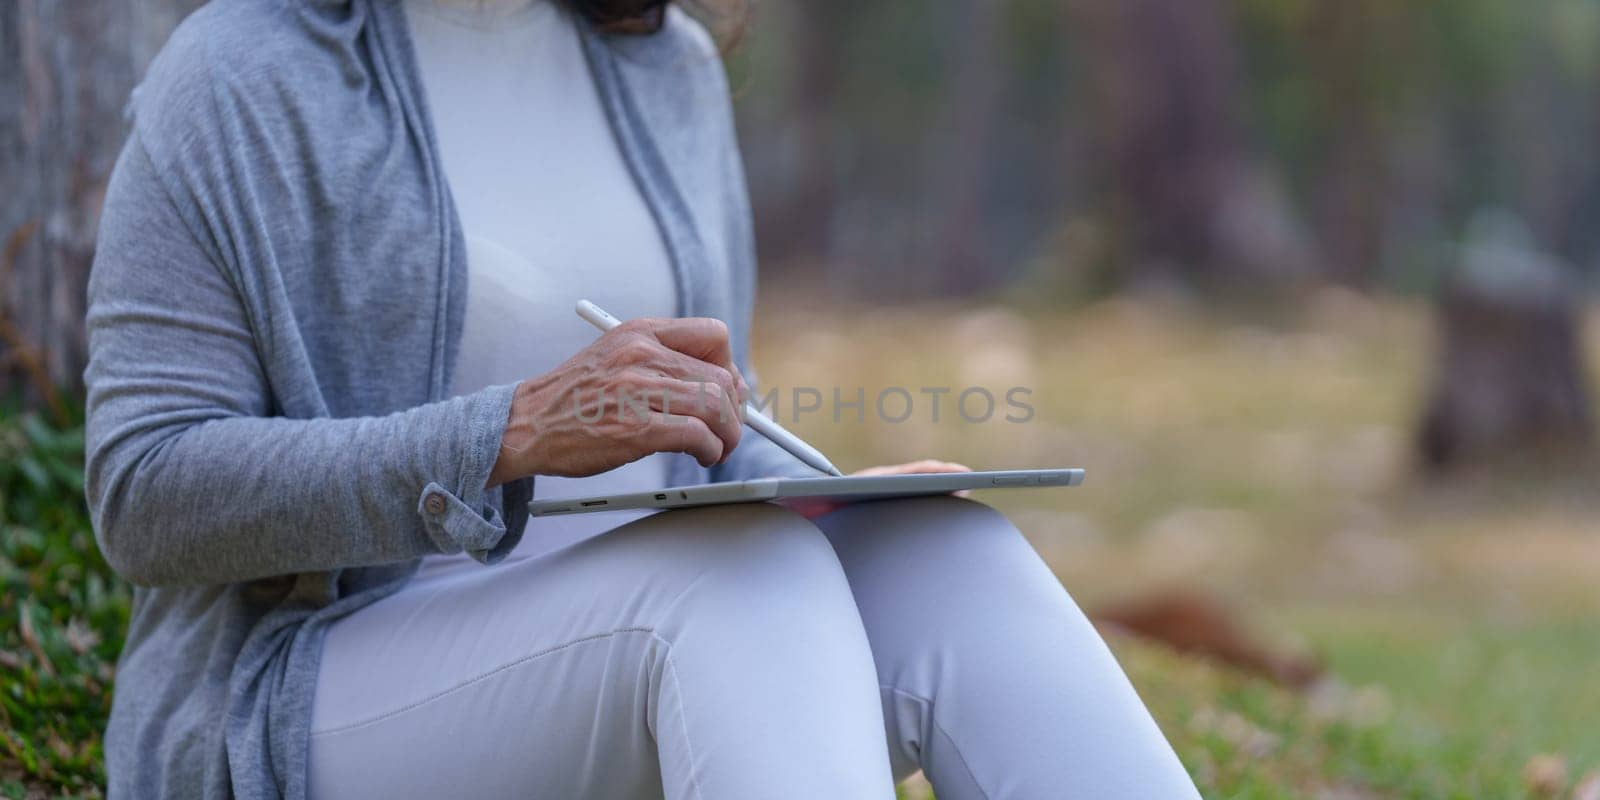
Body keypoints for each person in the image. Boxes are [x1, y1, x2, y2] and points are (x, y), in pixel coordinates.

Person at [83, 0, 1201, 797]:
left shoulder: (664, 65)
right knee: (730, 588)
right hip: (317, 676)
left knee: (949, 555)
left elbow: (708, 422)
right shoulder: (237, 70)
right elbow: (145, 492)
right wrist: (508, 432)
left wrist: (819, 494)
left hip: (675, 617)